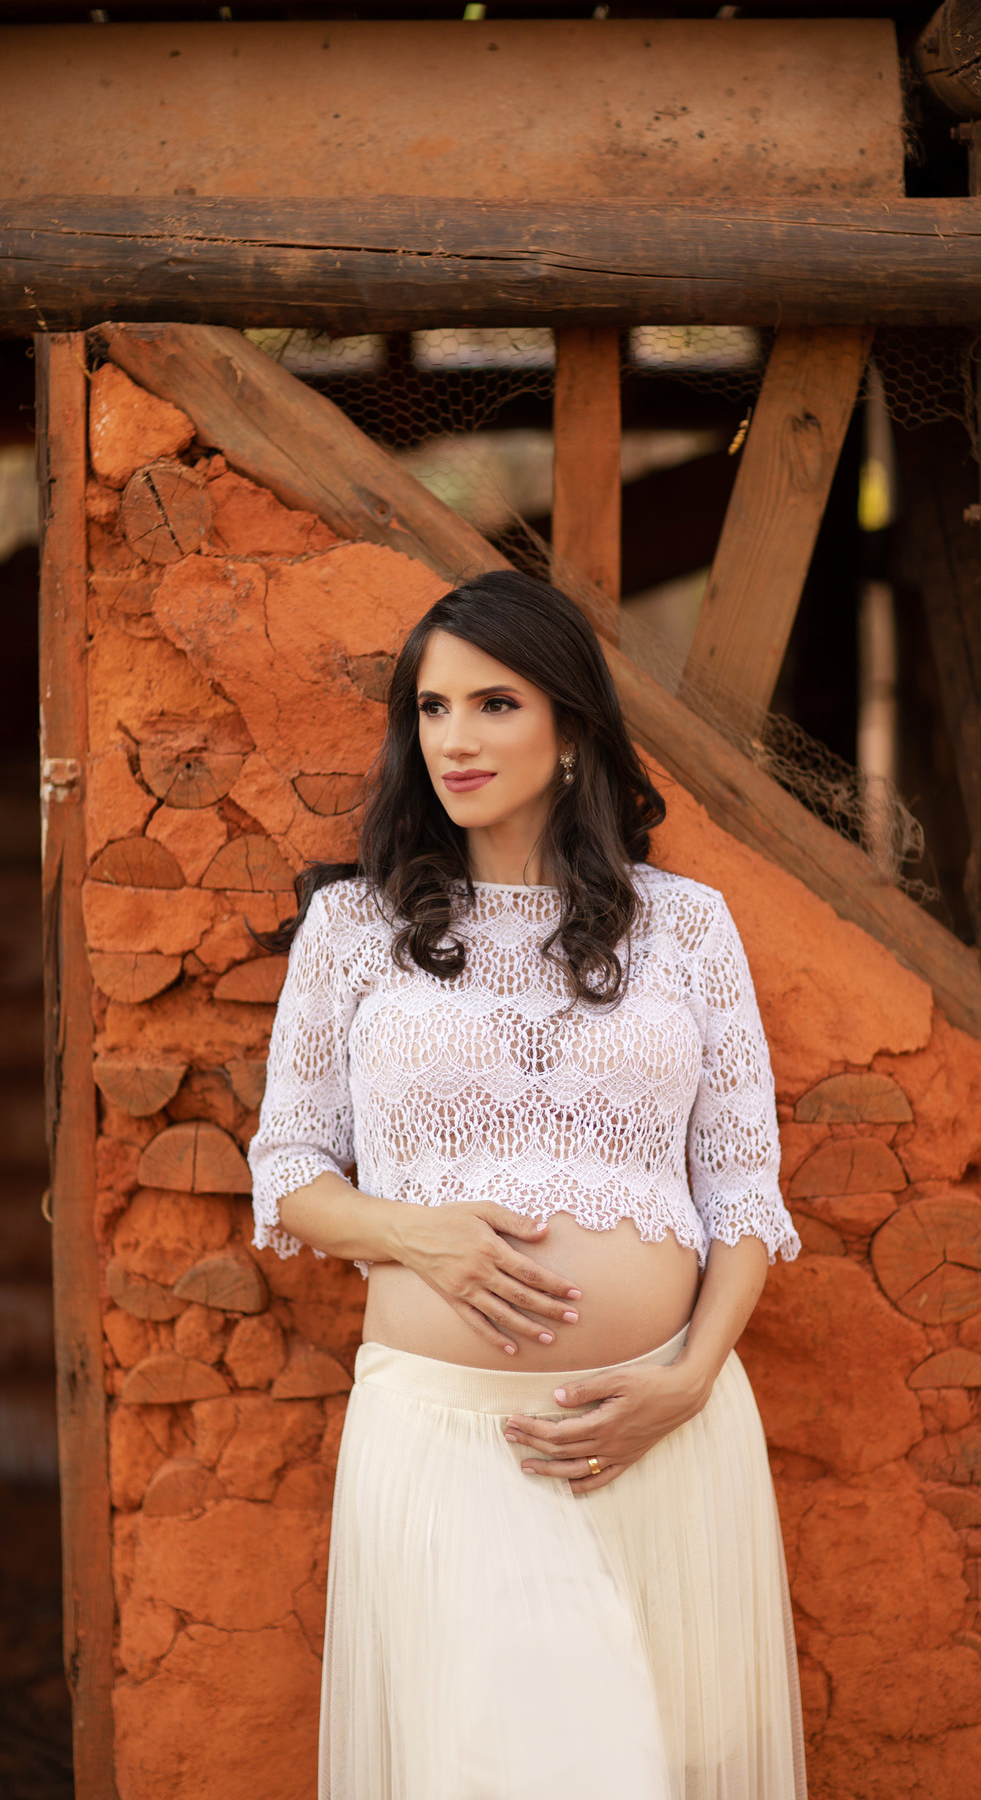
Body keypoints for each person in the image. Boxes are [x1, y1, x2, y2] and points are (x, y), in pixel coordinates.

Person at [248, 570, 805, 1800]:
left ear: (572, 729)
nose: (454, 739)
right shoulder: (355, 928)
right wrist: (416, 1237)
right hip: (454, 1441)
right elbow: (287, 1166)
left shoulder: (687, 929)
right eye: (431, 709)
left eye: (493, 704)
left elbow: (743, 1187)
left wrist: (689, 1381)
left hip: (664, 1435)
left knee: (658, 1767)